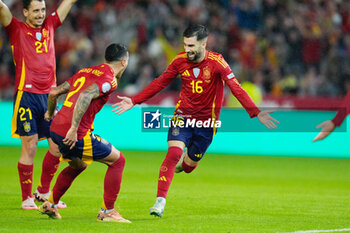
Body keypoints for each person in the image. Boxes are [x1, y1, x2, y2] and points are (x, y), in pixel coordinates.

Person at [112, 24, 279, 217]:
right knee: (173, 153)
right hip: (182, 116)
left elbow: (236, 88)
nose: (187, 49)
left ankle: (185, 165)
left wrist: (256, 112)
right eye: (185, 44)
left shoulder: (218, 63)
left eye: (191, 45)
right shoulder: (179, 61)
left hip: (207, 124)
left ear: (204, 44)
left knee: (188, 166)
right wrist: (134, 100)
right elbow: (160, 82)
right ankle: (159, 202)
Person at [38, 43, 131, 223]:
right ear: (124, 62)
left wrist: (50, 113)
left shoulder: (86, 71)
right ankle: (107, 212)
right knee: (118, 161)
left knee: (78, 165)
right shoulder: (109, 79)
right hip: (74, 133)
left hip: (56, 128)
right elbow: (85, 96)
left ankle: (51, 204)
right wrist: (73, 128)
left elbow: (54, 92)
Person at [0, 0, 78, 209]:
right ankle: (26, 198)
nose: (40, 14)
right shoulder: (16, 28)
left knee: (56, 146)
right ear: (25, 12)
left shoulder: (50, 25)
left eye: (43, 10)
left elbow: (69, 2)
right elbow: (1, 8)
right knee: (30, 146)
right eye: (35, 11)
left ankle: (43, 192)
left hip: (49, 97)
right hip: (26, 96)